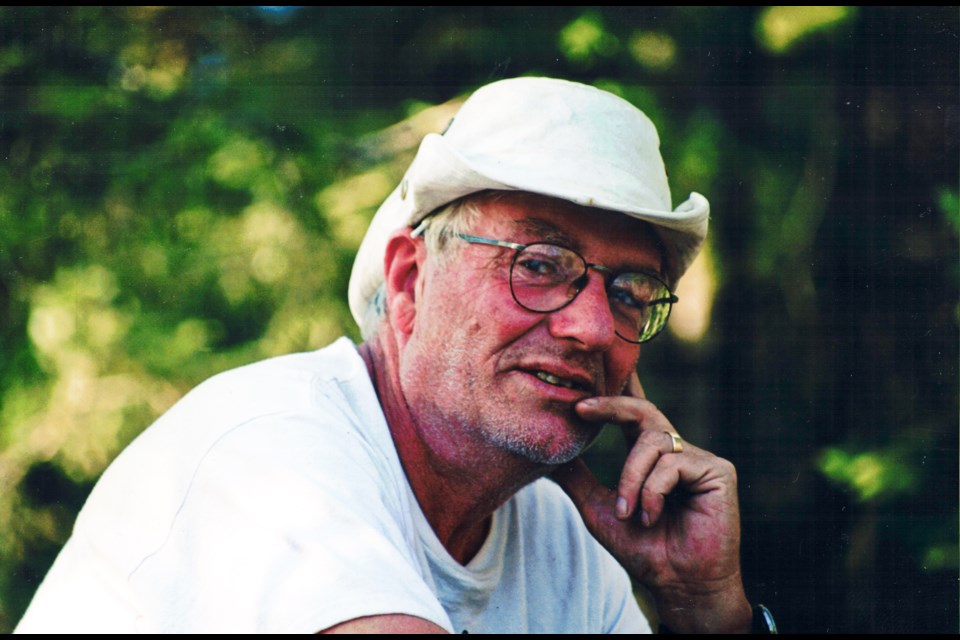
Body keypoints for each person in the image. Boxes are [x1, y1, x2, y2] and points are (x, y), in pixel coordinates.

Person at [16, 77, 774, 634]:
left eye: (630, 291)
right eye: (540, 263)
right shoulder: (271, 445)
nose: (589, 327)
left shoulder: (561, 537)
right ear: (410, 283)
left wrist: (705, 611)